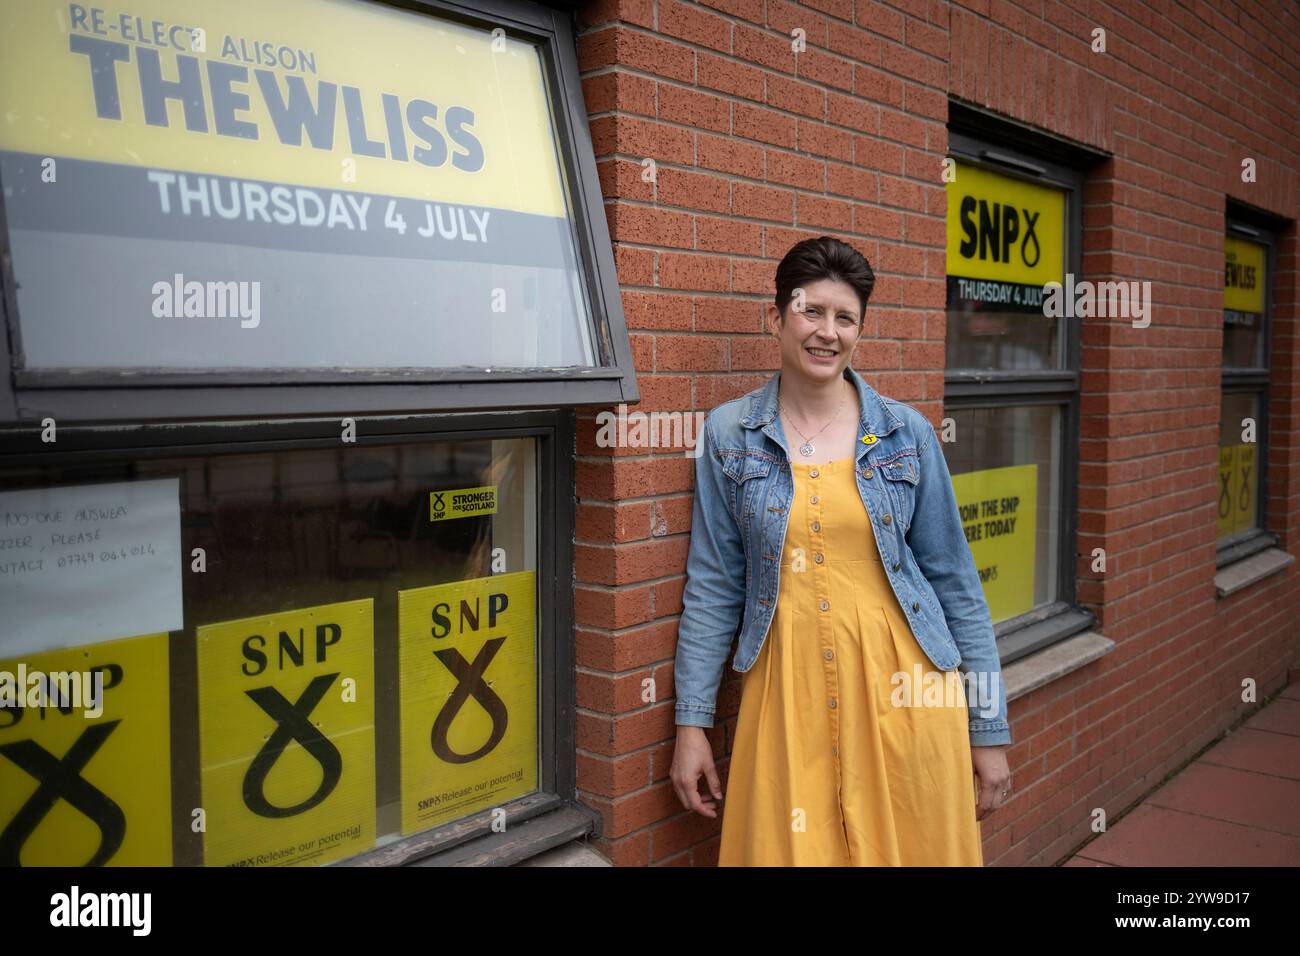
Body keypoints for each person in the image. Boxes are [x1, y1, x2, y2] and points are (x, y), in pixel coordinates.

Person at [669, 236, 1013, 866]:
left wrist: (987, 731)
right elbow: (715, 585)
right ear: (775, 318)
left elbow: (956, 582)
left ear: (860, 329)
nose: (827, 332)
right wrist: (691, 724)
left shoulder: (905, 433)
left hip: (908, 697)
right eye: (811, 311)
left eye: (845, 317)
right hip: (784, 698)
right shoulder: (729, 435)